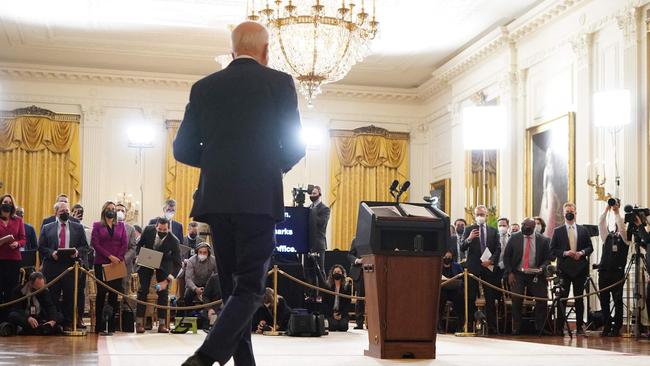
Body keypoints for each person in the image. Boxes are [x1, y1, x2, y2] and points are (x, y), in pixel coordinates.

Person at [175, 21, 304, 366]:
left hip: (216, 201)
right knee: (250, 287)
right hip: (259, 200)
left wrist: (218, 163)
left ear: (232, 52)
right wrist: (267, 167)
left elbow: (182, 149)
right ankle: (204, 357)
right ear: (266, 51)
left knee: (235, 291)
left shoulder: (204, 87)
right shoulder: (279, 83)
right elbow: (295, 146)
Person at [38, 201, 89, 331]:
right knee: (52, 297)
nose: (65, 213)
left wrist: (77, 252)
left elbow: (85, 247)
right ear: (56, 213)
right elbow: (41, 247)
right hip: (52, 267)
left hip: (70, 267)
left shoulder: (78, 227)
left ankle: (68, 323)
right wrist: (51, 253)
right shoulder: (47, 227)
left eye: (67, 211)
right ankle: (52, 322)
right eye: (62, 211)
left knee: (70, 297)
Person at [549, 202, 593, 336]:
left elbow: (590, 248)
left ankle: (579, 327)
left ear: (575, 212)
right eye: (567, 211)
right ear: (563, 213)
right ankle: (559, 328)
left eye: (572, 211)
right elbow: (552, 250)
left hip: (580, 269)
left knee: (580, 299)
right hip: (564, 270)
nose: (569, 213)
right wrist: (565, 253)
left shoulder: (583, 230)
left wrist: (582, 253)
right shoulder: (558, 231)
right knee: (563, 298)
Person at [503, 218, 551, 335]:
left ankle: (540, 327)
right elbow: (507, 256)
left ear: (534, 228)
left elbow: (548, 258)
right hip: (518, 273)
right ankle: (516, 327)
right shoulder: (514, 238)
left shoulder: (543, 240)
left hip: (536, 274)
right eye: (523, 226)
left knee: (541, 299)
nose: (525, 230)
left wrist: (542, 268)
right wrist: (510, 272)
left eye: (528, 228)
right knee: (517, 299)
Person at [135, 217, 181, 334]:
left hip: (164, 264)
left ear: (168, 229)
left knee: (163, 293)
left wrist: (166, 281)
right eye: (159, 229)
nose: (161, 231)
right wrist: (139, 257)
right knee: (142, 290)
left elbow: (178, 264)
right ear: (156, 226)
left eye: (164, 230)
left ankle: (162, 324)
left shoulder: (174, 241)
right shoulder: (148, 230)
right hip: (147, 260)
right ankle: (139, 323)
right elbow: (139, 245)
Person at [461, 205, 501, 334]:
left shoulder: (493, 231)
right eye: (478, 214)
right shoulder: (468, 229)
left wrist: (491, 261)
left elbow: (498, 249)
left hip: (488, 266)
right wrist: (469, 238)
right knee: (470, 297)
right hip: (473, 267)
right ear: (474, 216)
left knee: (490, 297)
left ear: (487, 216)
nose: (480, 217)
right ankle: (470, 325)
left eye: (482, 215)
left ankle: (491, 327)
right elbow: (462, 247)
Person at [91, 201, 128, 333]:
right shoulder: (97, 225)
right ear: (104, 210)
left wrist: (117, 258)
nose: (111, 210)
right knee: (101, 293)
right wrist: (110, 257)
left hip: (117, 264)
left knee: (113, 294)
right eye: (109, 208)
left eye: (113, 209)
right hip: (101, 263)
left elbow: (124, 243)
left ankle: (111, 326)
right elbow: (95, 243)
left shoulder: (121, 225)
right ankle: (99, 326)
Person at [597, 202, 628, 337]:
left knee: (617, 301)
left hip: (617, 273)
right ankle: (607, 325)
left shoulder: (625, 238)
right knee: (604, 301)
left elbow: (621, 228)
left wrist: (616, 212)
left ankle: (617, 327)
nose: (616, 226)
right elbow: (601, 224)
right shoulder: (607, 237)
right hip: (604, 272)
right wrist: (606, 210)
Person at [0, 272, 63, 336]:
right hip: (26, 319)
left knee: (59, 316)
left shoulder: (43, 290)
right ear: (30, 283)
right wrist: (28, 318)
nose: (40, 290)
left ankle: (36, 330)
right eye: (38, 288)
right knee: (13, 315)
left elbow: (50, 305)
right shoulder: (18, 291)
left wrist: (52, 320)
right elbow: (16, 309)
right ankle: (42, 330)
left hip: (40, 317)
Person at [0, 194, 26, 322]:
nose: (7, 204)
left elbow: (23, 238)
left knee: (12, 290)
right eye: (5, 202)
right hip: (0, 258)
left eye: (9, 202)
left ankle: (10, 320)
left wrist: (17, 243)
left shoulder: (18, 220)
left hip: (14, 259)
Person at [304, 185, 330, 299]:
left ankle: (323, 295)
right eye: (311, 194)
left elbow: (321, 224)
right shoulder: (308, 207)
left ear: (319, 194)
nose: (312, 196)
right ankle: (310, 294)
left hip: (319, 244)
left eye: (314, 194)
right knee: (308, 271)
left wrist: (313, 211)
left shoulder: (325, 209)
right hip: (308, 244)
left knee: (320, 271)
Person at [183, 243, 217, 308]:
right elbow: (188, 279)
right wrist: (195, 289)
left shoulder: (213, 260)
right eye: (200, 252)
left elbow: (216, 276)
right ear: (197, 252)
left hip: (208, 283)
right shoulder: (191, 261)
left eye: (205, 252)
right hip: (194, 284)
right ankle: (190, 313)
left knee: (216, 295)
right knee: (187, 297)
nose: (202, 254)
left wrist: (211, 287)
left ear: (208, 253)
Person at [116, 203, 138, 294]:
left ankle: (124, 307)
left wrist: (124, 259)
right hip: (110, 263)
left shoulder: (131, 229)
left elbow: (133, 247)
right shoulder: (107, 227)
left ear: (125, 214)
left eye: (122, 211)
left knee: (124, 288)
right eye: (117, 210)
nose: (120, 212)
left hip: (125, 264)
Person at [439, 249, 464, 332]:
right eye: (446, 257)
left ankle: (460, 325)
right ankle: (439, 326)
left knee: (460, 297)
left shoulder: (456, 266)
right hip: (442, 290)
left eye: (449, 257)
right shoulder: (438, 265)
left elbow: (462, 279)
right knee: (441, 298)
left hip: (453, 290)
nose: (447, 259)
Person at [323, 265, 352, 332]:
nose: (337, 273)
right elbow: (324, 303)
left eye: (338, 272)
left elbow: (348, 303)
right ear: (332, 274)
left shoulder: (347, 287)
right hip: (330, 312)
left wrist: (341, 314)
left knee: (343, 327)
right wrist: (332, 314)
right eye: (335, 272)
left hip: (342, 312)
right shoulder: (327, 286)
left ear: (342, 273)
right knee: (333, 326)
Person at [347, 238, 365, 329]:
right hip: (359, 272)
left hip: (373, 271)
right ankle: (359, 323)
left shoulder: (375, 237)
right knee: (360, 297)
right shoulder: (356, 240)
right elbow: (350, 255)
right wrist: (358, 260)